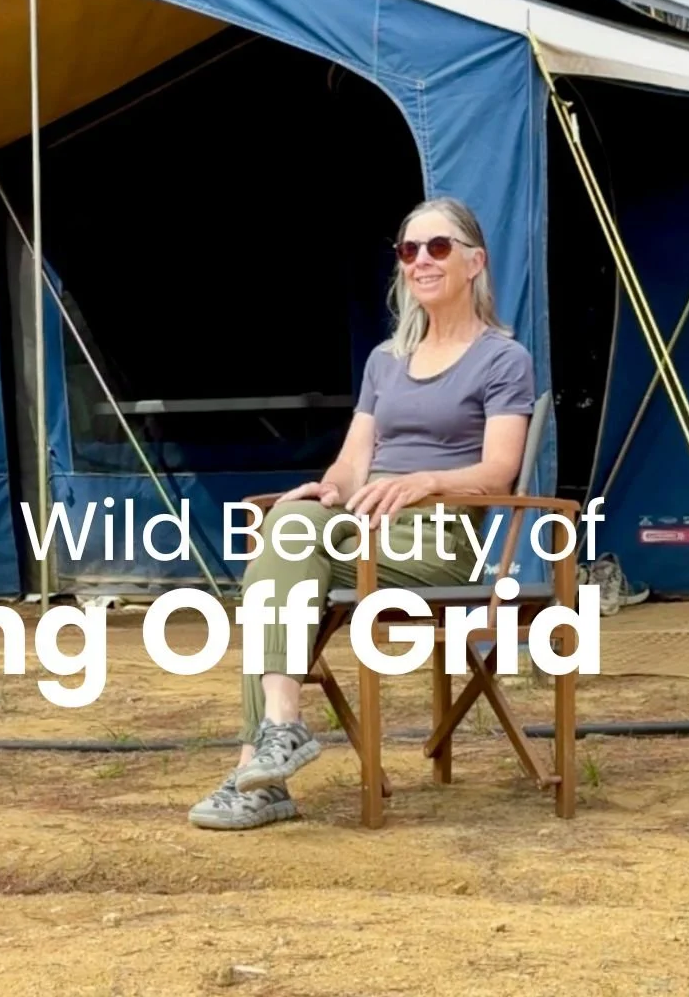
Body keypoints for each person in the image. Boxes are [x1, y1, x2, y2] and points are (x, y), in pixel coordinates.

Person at [188, 196, 536, 830]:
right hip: (361, 528)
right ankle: (280, 730)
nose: (421, 261)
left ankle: (255, 774)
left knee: (282, 555)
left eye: (438, 248)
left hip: (436, 538)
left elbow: (499, 471)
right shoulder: (386, 360)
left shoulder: (503, 359)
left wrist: (423, 479)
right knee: (286, 528)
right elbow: (351, 467)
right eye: (409, 251)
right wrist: (320, 492)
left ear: (474, 262)